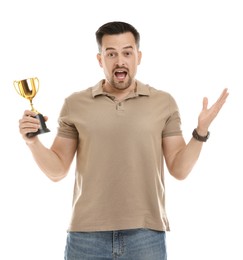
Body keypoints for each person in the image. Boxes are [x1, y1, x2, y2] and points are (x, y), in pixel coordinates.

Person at [18, 21, 229, 260]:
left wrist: (201, 131)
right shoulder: (74, 104)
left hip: (146, 235)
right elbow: (57, 171)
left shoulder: (163, 103)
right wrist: (32, 142)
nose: (120, 61)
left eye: (127, 53)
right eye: (111, 54)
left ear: (138, 57)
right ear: (100, 59)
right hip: (86, 237)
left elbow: (179, 169)